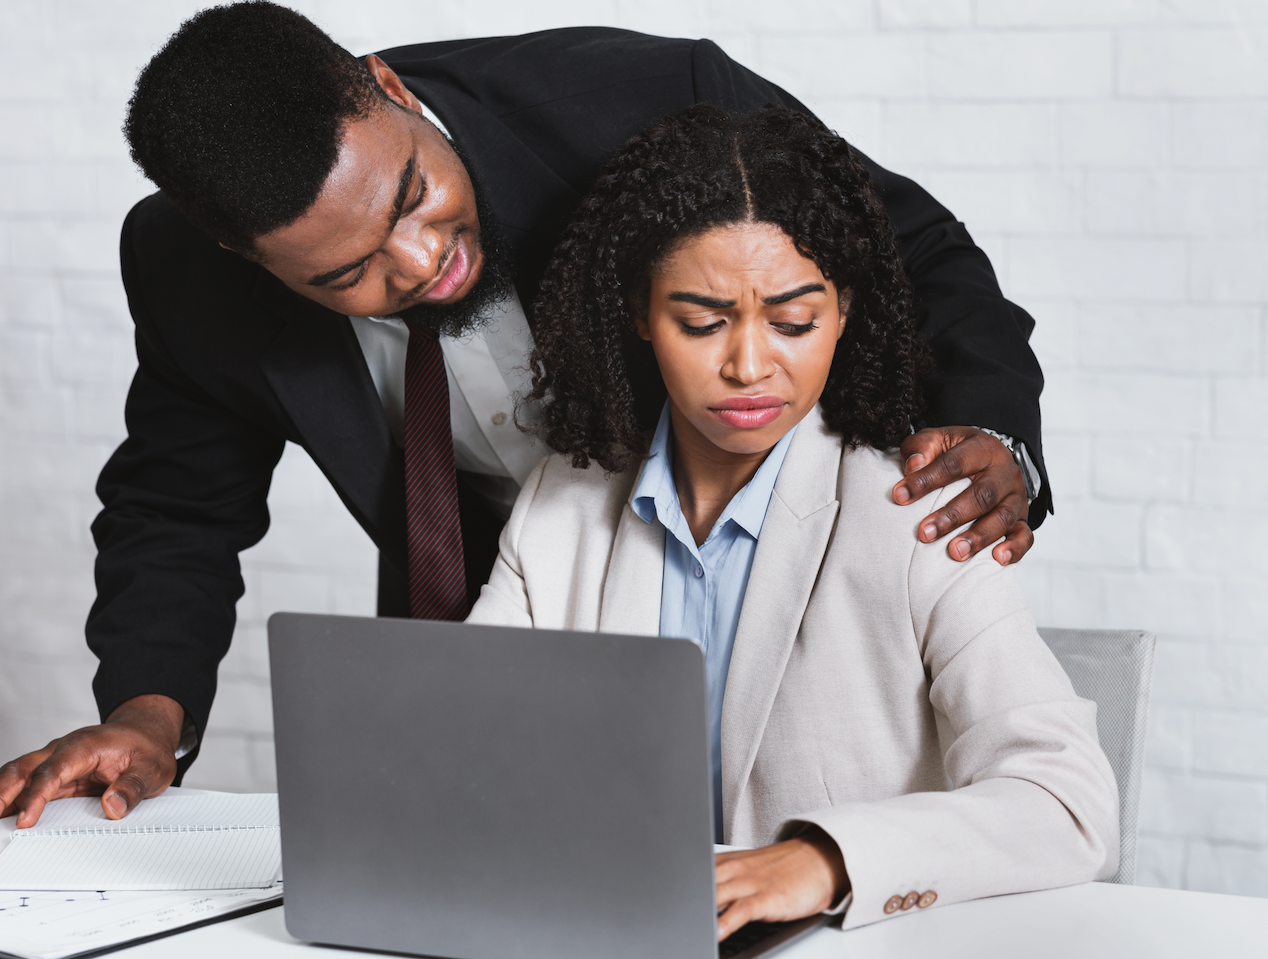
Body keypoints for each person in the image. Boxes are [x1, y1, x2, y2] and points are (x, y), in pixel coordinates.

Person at [0, 2, 1048, 827]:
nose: (419, 261)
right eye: (348, 272)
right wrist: (146, 713)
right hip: (494, 642)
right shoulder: (191, 273)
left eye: (411, 195)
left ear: (389, 88)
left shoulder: (640, 99)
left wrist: (988, 428)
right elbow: (176, 506)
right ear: (249, 259)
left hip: (755, 614)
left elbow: (909, 245)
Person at [465, 104, 1117, 938]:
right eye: (701, 322)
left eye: (794, 322)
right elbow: (472, 758)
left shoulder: (916, 514)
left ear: (844, 310)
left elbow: (1067, 799)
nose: (748, 364)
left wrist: (824, 859)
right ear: (638, 314)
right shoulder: (560, 501)